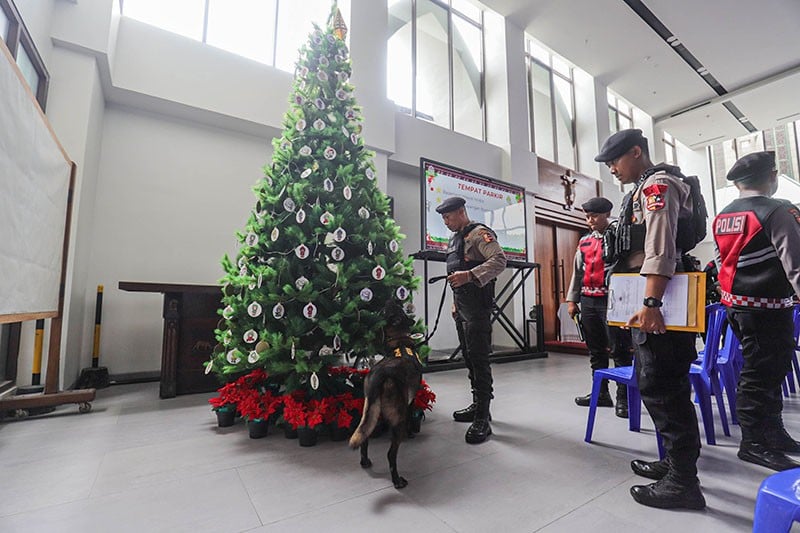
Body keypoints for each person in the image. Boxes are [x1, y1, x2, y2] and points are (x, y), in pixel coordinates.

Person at [595, 128, 705, 510]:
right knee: (655, 382)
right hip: (653, 297)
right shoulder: (640, 188)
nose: (611, 168)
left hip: (664, 301)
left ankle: (684, 483)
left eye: (615, 160)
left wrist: (652, 302)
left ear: (637, 152)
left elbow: (660, 247)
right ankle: (675, 464)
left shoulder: (658, 185)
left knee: (664, 386)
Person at [712, 151, 800, 472]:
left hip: (738, 307)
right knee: (762, 373)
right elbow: (795, 264)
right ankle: (753, 442)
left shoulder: (723, 215)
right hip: (769, 306)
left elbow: (721, 262)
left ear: (737, 183)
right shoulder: (776, 210)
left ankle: (773, 433)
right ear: (773, 176)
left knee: (763, 370)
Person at [436, 196, 507, 444]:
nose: (445, 222)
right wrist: (455, 303)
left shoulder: (479, 234)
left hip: (478, 308)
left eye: (448, 216)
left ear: (461, 212)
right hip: (462, 308)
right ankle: (479, 406)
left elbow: (499, 260)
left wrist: (470, 275)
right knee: (468, 357)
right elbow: (455, 272)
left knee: (479, 359)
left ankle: (483, 420)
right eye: (442, 218)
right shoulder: (455, 238)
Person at [566, 196, 634, 418]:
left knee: (620, 350)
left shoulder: (619, 237)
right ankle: (601, 393)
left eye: (594, 216)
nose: (589, 220)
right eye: (587, 216)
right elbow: (577, 272)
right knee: (595, 351)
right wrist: (571, 300)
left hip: (612, 301)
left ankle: (624, 397)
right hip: (588, 301)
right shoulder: (584, 241)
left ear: (606, 214)